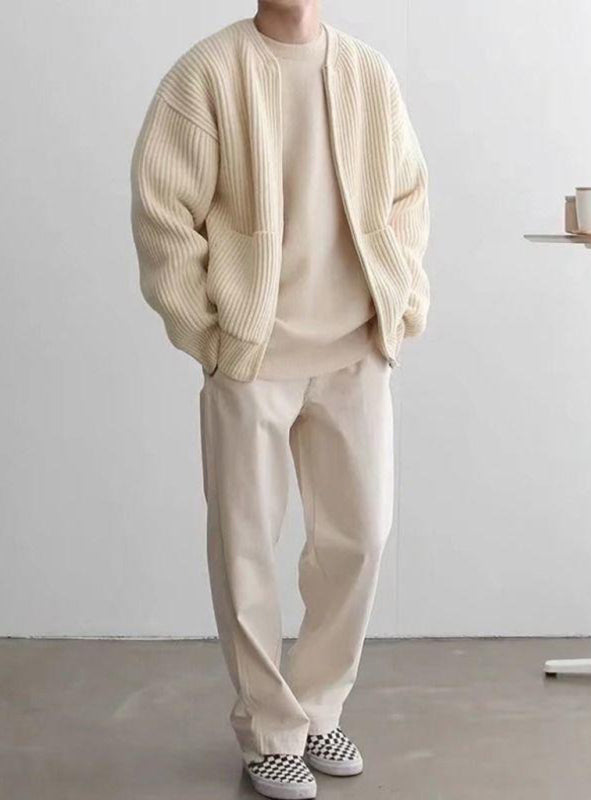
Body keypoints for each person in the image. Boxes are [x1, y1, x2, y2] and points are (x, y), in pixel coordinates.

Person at [130, 1, 429, 796]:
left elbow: (408, 198)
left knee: (359, 540)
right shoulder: (206, 73)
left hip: (356, 350)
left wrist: (400, 306)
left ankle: (318, 711)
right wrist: (211, 335)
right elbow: (163, 214)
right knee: (245, 549)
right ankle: (269, 730)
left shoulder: (368, 72)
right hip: (254, 358)